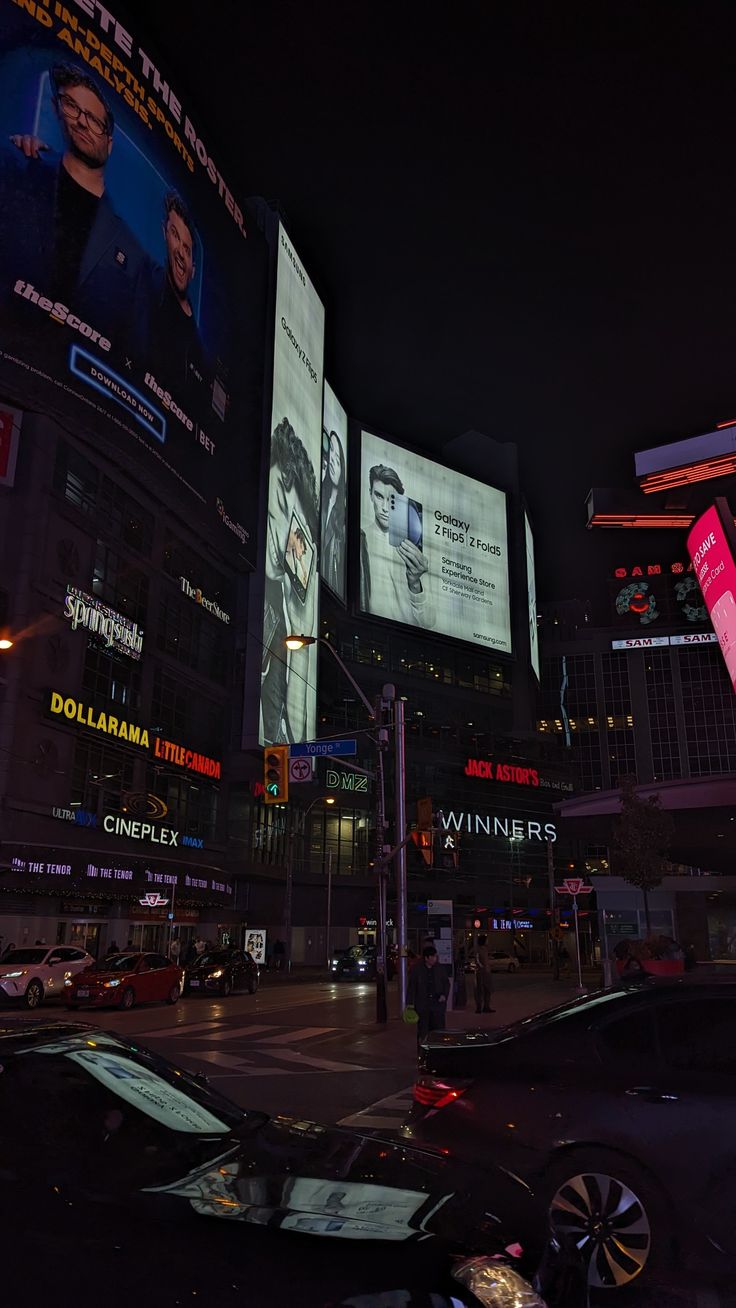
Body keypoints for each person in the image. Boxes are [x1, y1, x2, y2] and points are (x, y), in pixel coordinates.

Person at [0, 62, 149, 356]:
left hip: (66, 384)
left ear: (110, 142)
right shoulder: (17, 164)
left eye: (95, 120)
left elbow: (129, 351)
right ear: (57, 109)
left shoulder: (132, 256)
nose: (82, 122)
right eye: (72, 106)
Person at [261, 417, 319, 744]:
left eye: (296, 535)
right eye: (276, 507)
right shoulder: (258, 602)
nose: (278, 531)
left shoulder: (292, 612)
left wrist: (304, 624)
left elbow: (298, 751)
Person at [146, 190, 207, 399]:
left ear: (194, 269)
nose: (181, 252)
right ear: (164, 234)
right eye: (175, 235)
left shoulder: (198, 349)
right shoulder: (143, 289)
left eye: (187, 250)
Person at [360, 463, 436, 629]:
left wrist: (415, 584)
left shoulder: (415, 550)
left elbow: (429, 622)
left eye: (391, 499)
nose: (385, 508)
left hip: (407, 642)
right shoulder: (360, 538)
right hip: (371, 634)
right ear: (370, 495)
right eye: (379, 496)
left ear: (401, 501)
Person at [406, 945, 450, 1047]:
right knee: (423, 1031)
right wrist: (410, 1004)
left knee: (438, 1030)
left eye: (435, 956)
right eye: (433, 956)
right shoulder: (417, 970)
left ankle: (437, 1050)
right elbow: (412, 987)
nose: (435, 958)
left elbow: (446, 983)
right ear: (426, 958)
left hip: (437, 1005)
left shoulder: (440, 968)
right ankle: (423, 1051)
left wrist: (444, 995)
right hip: (423, 1006)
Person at [321, 428, 347, 597]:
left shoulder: (344, 517)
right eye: (331, 452)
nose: (332, 461)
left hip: (329, 597)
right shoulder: (319, 494)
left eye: (337, 459)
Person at [475, 934, 495, 1014]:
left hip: (487, 973)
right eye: (486, 940)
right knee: (480, 990)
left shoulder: (486, 950)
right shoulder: (478, 950)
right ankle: (479, 1007)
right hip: (481, 973)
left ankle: (486, 1007)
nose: (488, 941)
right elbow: (477, 960)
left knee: (488, 990)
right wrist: (482, 967)